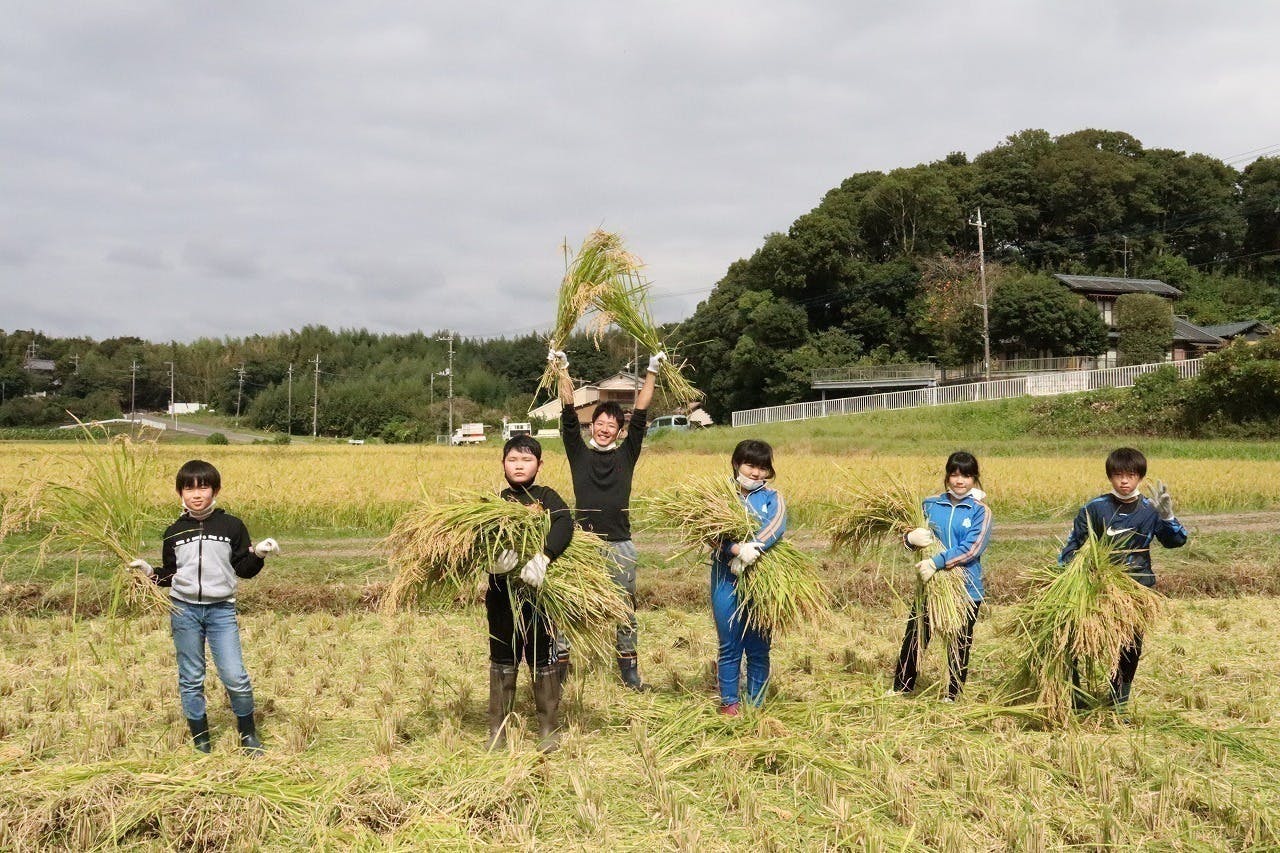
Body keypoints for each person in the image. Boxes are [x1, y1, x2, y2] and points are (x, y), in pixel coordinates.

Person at [129, 459, 279, 755]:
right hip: (183, 611)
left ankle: (248, 735)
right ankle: (201, 739)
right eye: (189, 488)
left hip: (221, 610)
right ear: (180, 493)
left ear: (216, 490)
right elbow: (171, 575)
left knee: (234, 675)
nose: (196, 494)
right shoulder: (174, 532)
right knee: (191, 677)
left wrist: (259, 554)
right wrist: (148, 572)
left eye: (203, 487)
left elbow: (244, 570)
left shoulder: (232, 526)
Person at [551, 347, 665, 690]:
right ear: (592, 426)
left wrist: (651, 372)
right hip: (581, 545)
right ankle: (560, 666)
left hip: (619, 544)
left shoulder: (627, 455)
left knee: (624, 609)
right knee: (568, 605)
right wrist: (562, 370)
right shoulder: (579, 454)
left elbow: (641, 412)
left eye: (611, 425)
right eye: (599, 423)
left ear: (618, 430)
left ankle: (629, 671)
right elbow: (568, 412)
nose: (604, 429)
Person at [1059, 447, 1187, 709]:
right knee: (1076, 639)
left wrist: (1168, 517)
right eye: (1118, 475)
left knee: (1129, 646)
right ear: (1110, 476)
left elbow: (1175, 541)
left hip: (1136, 587)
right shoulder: (1095, 508)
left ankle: (1118, 702)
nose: (1124, 481)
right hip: (1096, 587)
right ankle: (1075, 697)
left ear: (1140, 476)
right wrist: (1066, 576)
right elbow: (1073, 548)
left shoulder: (1151, 509)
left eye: (1131, 475)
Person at [486, 435, 574, 752]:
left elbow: (565, 523)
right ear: (503, 464)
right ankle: (498, 731)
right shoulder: (494, 503)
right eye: (512, 459)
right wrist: (492, 563)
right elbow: (480, 539)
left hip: (538, 595)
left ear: (539, 464)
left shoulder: (546, 497)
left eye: (526, 459)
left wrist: (544, 557)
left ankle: (548, 729)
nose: (519, 465)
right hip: (501, 594)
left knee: (541, 656)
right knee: (502, 656)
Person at [893, 451, 992, 700]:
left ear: (974, 479)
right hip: (930, 585)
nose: (960, 481)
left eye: (966, 476)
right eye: (955, 474)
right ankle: (902, 687)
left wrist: (936, 562)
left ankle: (952, 694)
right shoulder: (930, 505)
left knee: (959, 642)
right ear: (947, 476)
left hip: (965, 588)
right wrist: (909, 539)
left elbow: (972, 548)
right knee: (915, 637)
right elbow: (908, 535)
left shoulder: (980, 511)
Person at [711, 439, 787, 715]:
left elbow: (777, 524)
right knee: (729, 644)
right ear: (736, 464)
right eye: (750, 465)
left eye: (763, 468)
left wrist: (752, 549)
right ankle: (729, 704)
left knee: (758, 645)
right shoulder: (720, 495)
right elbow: (707, 530)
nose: (756, 473)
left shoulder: (772, 496)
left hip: (763, 575)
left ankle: (755, 705)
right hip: (725, 574)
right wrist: (735, 550)